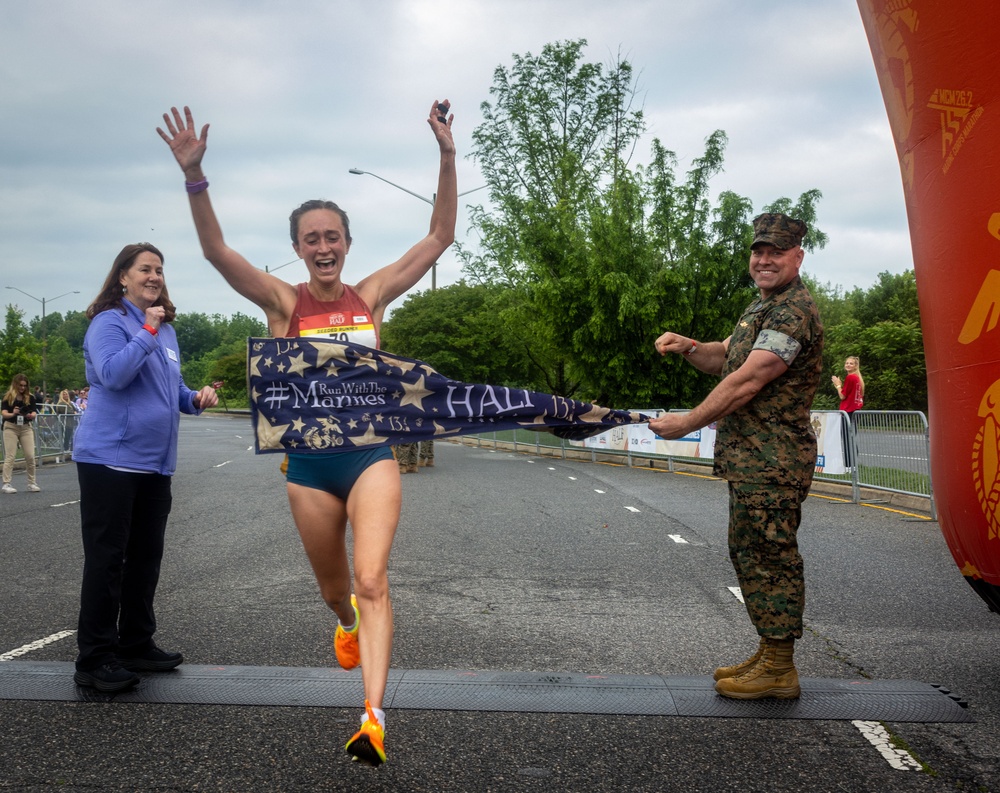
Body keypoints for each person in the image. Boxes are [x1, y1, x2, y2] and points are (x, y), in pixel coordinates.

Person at [157, 100, 456, 765]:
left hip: (371, 456)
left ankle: (372, 717)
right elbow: (215, 251)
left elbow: (438, 237)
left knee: (373, 576)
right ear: (298, 248)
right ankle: (346, 623)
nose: (324, 247)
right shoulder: (282, 303)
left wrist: (445, 152)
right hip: (309, 470)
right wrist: (195, 178)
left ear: (347, 242)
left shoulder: (370, 295)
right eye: (311, 239)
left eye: (333, 236)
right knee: (337, 590)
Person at [649, 213, 823, 700]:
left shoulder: (793, 310)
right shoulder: (761, 307)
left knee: (771, 555)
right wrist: (688, 347)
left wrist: (687, 422)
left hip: (774, 461)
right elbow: (724, 357)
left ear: (797, 257)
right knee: (751, 553)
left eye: (776, 252)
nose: (764, 260)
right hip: (753, 461)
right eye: (758, 251)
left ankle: (780, 667)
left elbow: (751, 377)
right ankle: (770, 652)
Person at [72, 242, 218, 693]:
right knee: (107, 560)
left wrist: (194, 399)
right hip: (110, 461)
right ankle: (95, 658)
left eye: (159, 270)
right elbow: (114, 374)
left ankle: (136, 643)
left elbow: (170, 388)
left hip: (154, 465)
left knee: (145, 559)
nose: (154, 276)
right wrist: (148, 332)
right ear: (122, 276)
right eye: (144, 269)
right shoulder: (109, 323)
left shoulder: (165, 331)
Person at [1, 374, 40, 494]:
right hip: (11, 427)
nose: (22, 388)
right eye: (20, 385)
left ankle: (32, 483)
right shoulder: (8, 397)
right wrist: (14, 413)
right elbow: (4, 413)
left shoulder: (30, 397)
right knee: (10, 456)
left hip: (25, 427)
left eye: (25, 385)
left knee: (30, 456)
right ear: (15, 384)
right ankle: (6, 483)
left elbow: (34, 413)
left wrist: (28, 415)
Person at [831, 356, 865, 472]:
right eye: (847, 363)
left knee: (846, 438)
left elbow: (842, 396)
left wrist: (838, 385)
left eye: (851, 363)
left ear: (855, 366)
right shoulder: (857, 378)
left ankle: (849, 466)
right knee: (850, 437)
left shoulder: (851, 378)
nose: (848, 365)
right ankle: (853, 464)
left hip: (849, 411)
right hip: (855, 410)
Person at [53, 389, 80, 463]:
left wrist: (73, 411)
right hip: (64, 423)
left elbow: (75, 410)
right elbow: (68, 411)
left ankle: (67, 451)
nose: (65, 395)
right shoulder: (61, 403)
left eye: (66, 394)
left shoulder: (69, 403)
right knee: (65, 438)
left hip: (70, 423)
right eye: (64, 394)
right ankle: (63, 451)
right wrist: (73, 412)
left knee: (68, 438)